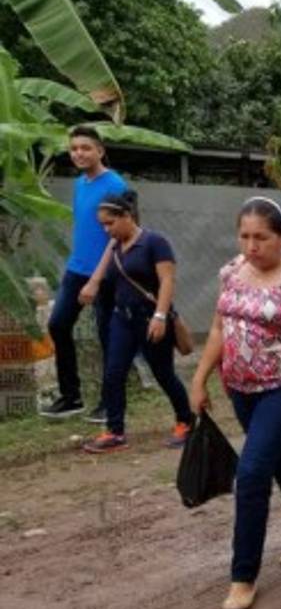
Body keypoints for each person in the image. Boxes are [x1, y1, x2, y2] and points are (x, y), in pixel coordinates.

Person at [189, 197, 281, 609]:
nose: (252, 246)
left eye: (262, 237)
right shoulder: (232, 272)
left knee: (252, 473)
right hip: (239, 387)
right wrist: (199, 378)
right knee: (280, 459)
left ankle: (242, 576)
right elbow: (220, 326)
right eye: (245, 236)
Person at [82, 191, 193, 454]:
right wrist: (92, 284)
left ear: (126, 216)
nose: (106, 229)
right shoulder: (115, 247)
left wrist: (160, 316)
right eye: (103, 224)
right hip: (122, 319)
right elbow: (102, 273)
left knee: (163, 373)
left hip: (150, 318)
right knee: (113, 373)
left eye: (110, 223)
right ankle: (115, 431)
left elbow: (167, 281)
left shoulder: (155, 242)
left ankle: (186, 422)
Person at [41, 126, 128, 420]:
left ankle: (109, 402)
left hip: (106, 274)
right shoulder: (80, 184)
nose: (79, 153)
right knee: (58, 324)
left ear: (100, 151)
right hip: (76, 268)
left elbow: (117, 236)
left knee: (108, 337)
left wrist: (96, 278)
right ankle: (71, 396)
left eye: (85, 148)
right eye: (74, 148)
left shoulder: (114, 185)